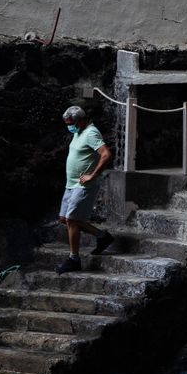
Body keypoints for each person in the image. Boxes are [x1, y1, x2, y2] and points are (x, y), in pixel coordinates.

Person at [57, 105, 115, 272]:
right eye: (67, 123)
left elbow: (106, 154)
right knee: (64, 219)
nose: (69, 126)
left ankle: (74, 260)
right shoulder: (78, 132)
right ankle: (101, 236)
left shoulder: (91, 133)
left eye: (71, 123)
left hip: (83, 185)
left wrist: (93, 175)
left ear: (81, 120)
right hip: (71, 184)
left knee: (72, 220)